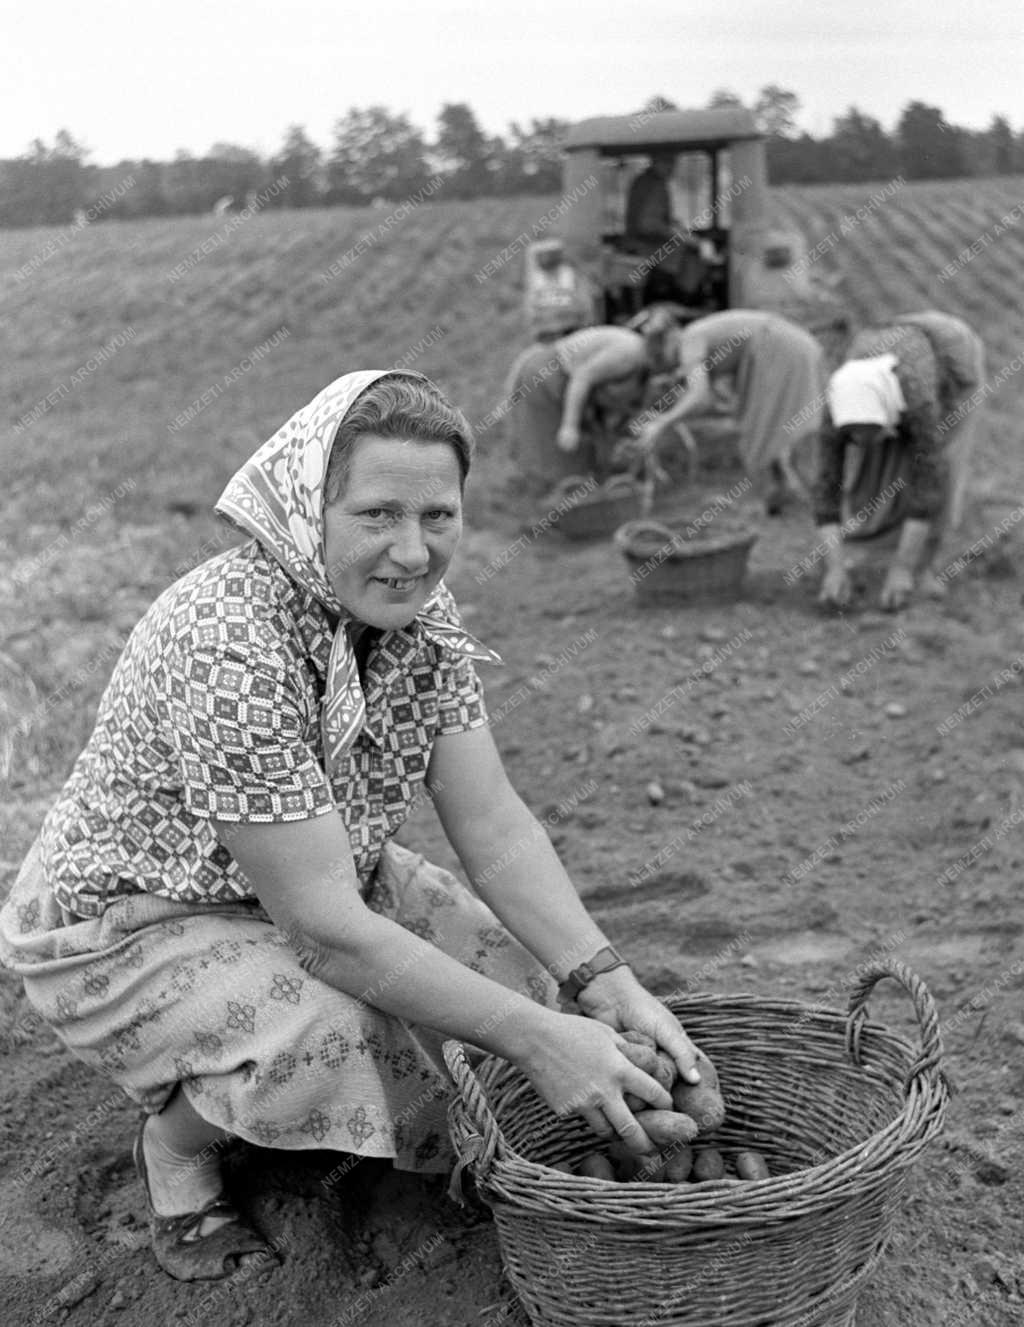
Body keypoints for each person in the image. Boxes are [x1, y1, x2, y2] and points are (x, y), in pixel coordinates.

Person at [0, 371, 705, 1283]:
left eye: (439, 516)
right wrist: (537, 1039)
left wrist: (602, 978)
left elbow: (492, 825)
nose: (413, 551)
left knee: (520, 985)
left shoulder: (418, 616)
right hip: (138, 922)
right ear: (308, 509)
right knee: (333, 1035)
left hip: (323, 876)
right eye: (376, 514)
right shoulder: (227, 646)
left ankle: (321, 1090)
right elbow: (327, 934)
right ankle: (176, 1146)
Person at [814, 311, 985, 611]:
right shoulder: (835, 409)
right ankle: (881, 546)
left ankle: (923, 568)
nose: (863, 442)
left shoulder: (918, 399)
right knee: (876, 462)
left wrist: (902, 569)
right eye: (856, 436)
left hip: (951, 355)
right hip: (889, 348)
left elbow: (929, 484)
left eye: (874, 433)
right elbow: (826, 490)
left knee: (940, 462)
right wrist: (835, 569)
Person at [634, 308, 827, 513]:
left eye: (661, 358)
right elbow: (713, 397)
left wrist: (661, 423)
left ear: (669, 340)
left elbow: (700, 397)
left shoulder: (688, 341)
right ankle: (780, 493)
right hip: (790, 346)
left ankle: (788, 496)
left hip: (778, 351)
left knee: (764, 430)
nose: (669, 366)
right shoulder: (698, 336)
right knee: (769, 429)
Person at [504, 325, 650, 495]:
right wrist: (569, 426)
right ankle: (558, 505)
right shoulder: (628, 355)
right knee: (562, 454)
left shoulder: (638, 358)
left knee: (584, 452)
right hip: (546, 376)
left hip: (564, 375)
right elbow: (582, 377)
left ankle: (588, 500)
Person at [623, 154, 705, 306]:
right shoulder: (653, 185)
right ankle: (687, 301)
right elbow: (648, 225)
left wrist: (677, 226)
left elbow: (660, 218)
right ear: (657, 162)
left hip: (642, 243)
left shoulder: (648, 182)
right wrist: (682, 236)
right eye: (669, 163)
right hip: (643, 247)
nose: (672, 169)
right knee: (691, 253)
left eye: (673, 164)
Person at [523, 238, 597, 342]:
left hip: (570, 328)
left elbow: (584, 302)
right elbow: (531, 307)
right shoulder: (537, 278)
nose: (546, 259)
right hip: (546, 333)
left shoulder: (569, 275)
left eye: (551, 255)